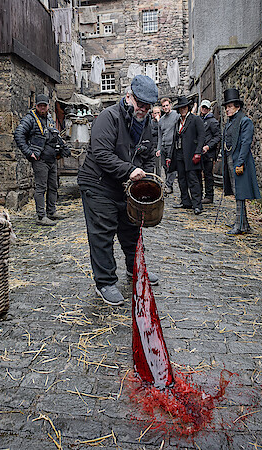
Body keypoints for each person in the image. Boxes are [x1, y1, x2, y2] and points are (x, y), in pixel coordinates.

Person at [77, 75, 160, 306]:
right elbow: (102, 155)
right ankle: (105, 282)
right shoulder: (108, 117)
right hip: (98, 183)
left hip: (124, 186)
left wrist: (146, 179)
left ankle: (136, 271)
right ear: (128, 97)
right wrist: (130, 170)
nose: (143, 109)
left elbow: (147, 156)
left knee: (132, 230)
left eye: (147, 105)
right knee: (103, 233)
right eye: (139, 103)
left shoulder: (146, 125)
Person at [14, 93, 71, 226]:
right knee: (41, 188)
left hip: (51, 159)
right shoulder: (30, 119)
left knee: (53, 186)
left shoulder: (50, 118)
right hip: (40, 159)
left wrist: (63, 147)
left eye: (44, 106)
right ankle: (41, 216)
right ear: (36, 106)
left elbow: (54, 135)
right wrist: (29, 153)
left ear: (47, 106)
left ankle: (51, 212)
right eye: (40, 106)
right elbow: (18, 134)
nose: (42, 108)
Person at [221, 88, 261, 234]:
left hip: (240, 161)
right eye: (226, 107)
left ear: (237, 107)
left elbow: (246, 142)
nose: (227, 110)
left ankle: (239, 225)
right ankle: (242, 223)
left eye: (230, 107)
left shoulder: (245, 121)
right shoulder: (230, 122)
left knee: (240, 193)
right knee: (238, 192)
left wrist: (240, 162)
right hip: (231, 159)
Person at [168, 95, 205, 215]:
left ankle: (197, 205)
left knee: (193, 180)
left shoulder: (195, 119)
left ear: (188, 108)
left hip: (191, 154)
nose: (183, 110)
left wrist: (198, 152)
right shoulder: (177, 121)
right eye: (181, 108)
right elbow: (174, 140)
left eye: (184, 107)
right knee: (182, 179)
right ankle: (186, 202)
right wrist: (170, 156)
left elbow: (201, 137)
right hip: (179, 154)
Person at [199, 99, 221, 204]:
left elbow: (217, 137)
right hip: (199, 152)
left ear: (209, 109)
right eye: (203, 107)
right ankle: (199, 194)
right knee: (198, 174)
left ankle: (209, 196)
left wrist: (208, 146)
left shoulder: (213, 121)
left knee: (208, 175)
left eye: (206, 108)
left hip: (208, 153)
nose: (204, 109)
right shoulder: (199, 119)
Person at [157, 97, 179, 194]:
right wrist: (158, 148)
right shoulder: (161, 120)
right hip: (163, 146)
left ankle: (168, 185)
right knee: (165, 167)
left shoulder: (176, 116)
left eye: (167, 105)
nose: (165, 107)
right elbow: (159, 135)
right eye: (163, 106)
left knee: (171, 166)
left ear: (170, 105)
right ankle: (169, 185)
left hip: (172, 145)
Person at [151, 105, 163, 175]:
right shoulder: (150, 122)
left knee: (159, 167)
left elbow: (162, 132)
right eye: (155, 113)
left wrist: (159, 121)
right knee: (152, 165)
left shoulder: (162, 121)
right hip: (152, 147)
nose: (156, 115)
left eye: (158, 113)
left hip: (159, 147)